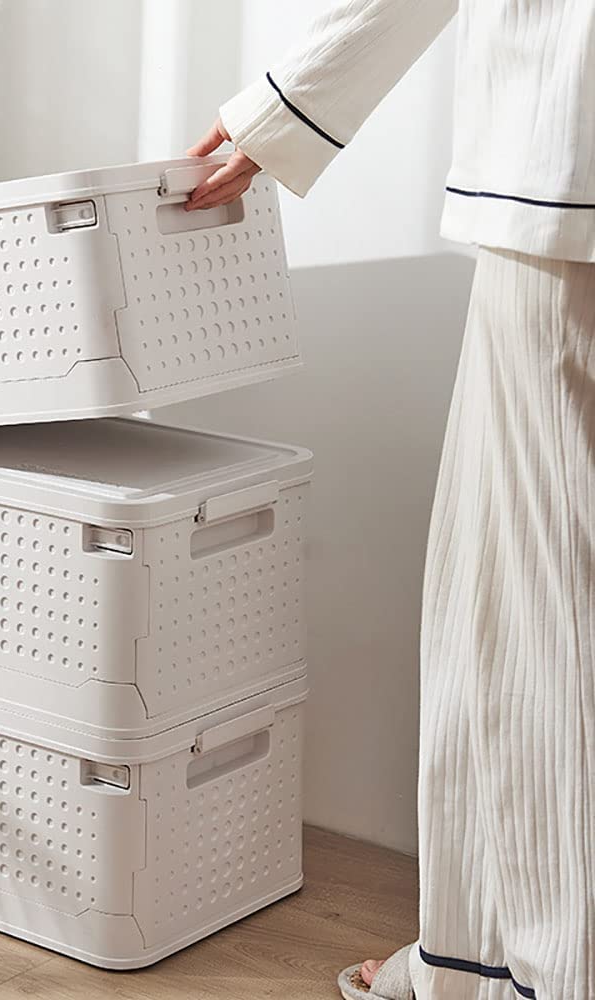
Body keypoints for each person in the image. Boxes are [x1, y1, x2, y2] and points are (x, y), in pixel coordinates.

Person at [185, 2, 595, 999]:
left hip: (569, 158)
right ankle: (478, 959)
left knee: (534, 612)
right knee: (510, 593)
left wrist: (285, 108)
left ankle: (546, 973)